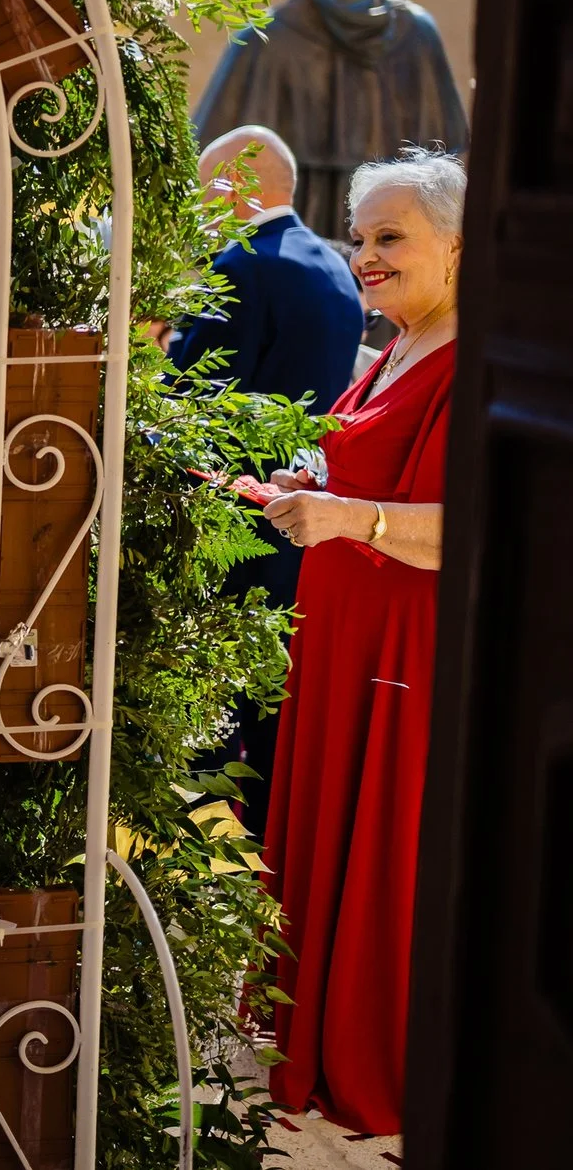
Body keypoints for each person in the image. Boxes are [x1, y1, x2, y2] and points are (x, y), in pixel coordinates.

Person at [257, 148, 462, 1138]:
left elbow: (466, 525)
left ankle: (367, 1058)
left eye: (390, 237)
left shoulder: (472, 359)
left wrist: (348, 521)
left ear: (460, 248)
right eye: (359, 235)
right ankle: (312, 1038)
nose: (364, 255)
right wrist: (298, 495)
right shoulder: (395, 346)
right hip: (340, 640)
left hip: (400, 657)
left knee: (379, 844)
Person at [169, 125, 367, 825]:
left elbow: (189, 400)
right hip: (306, 515)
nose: (203, 203)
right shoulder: (335, 268)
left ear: (238, 184)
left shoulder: (242, 264)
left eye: (207, 187)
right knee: (275, 705)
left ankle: (212, 847)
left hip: (230, 525)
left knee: (214, 714)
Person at [195, 0, 467, 239]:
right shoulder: (418, 31)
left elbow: (206, 148)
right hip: (399, 242)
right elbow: (450, 150)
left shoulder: (261, 39)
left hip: (291, 252)